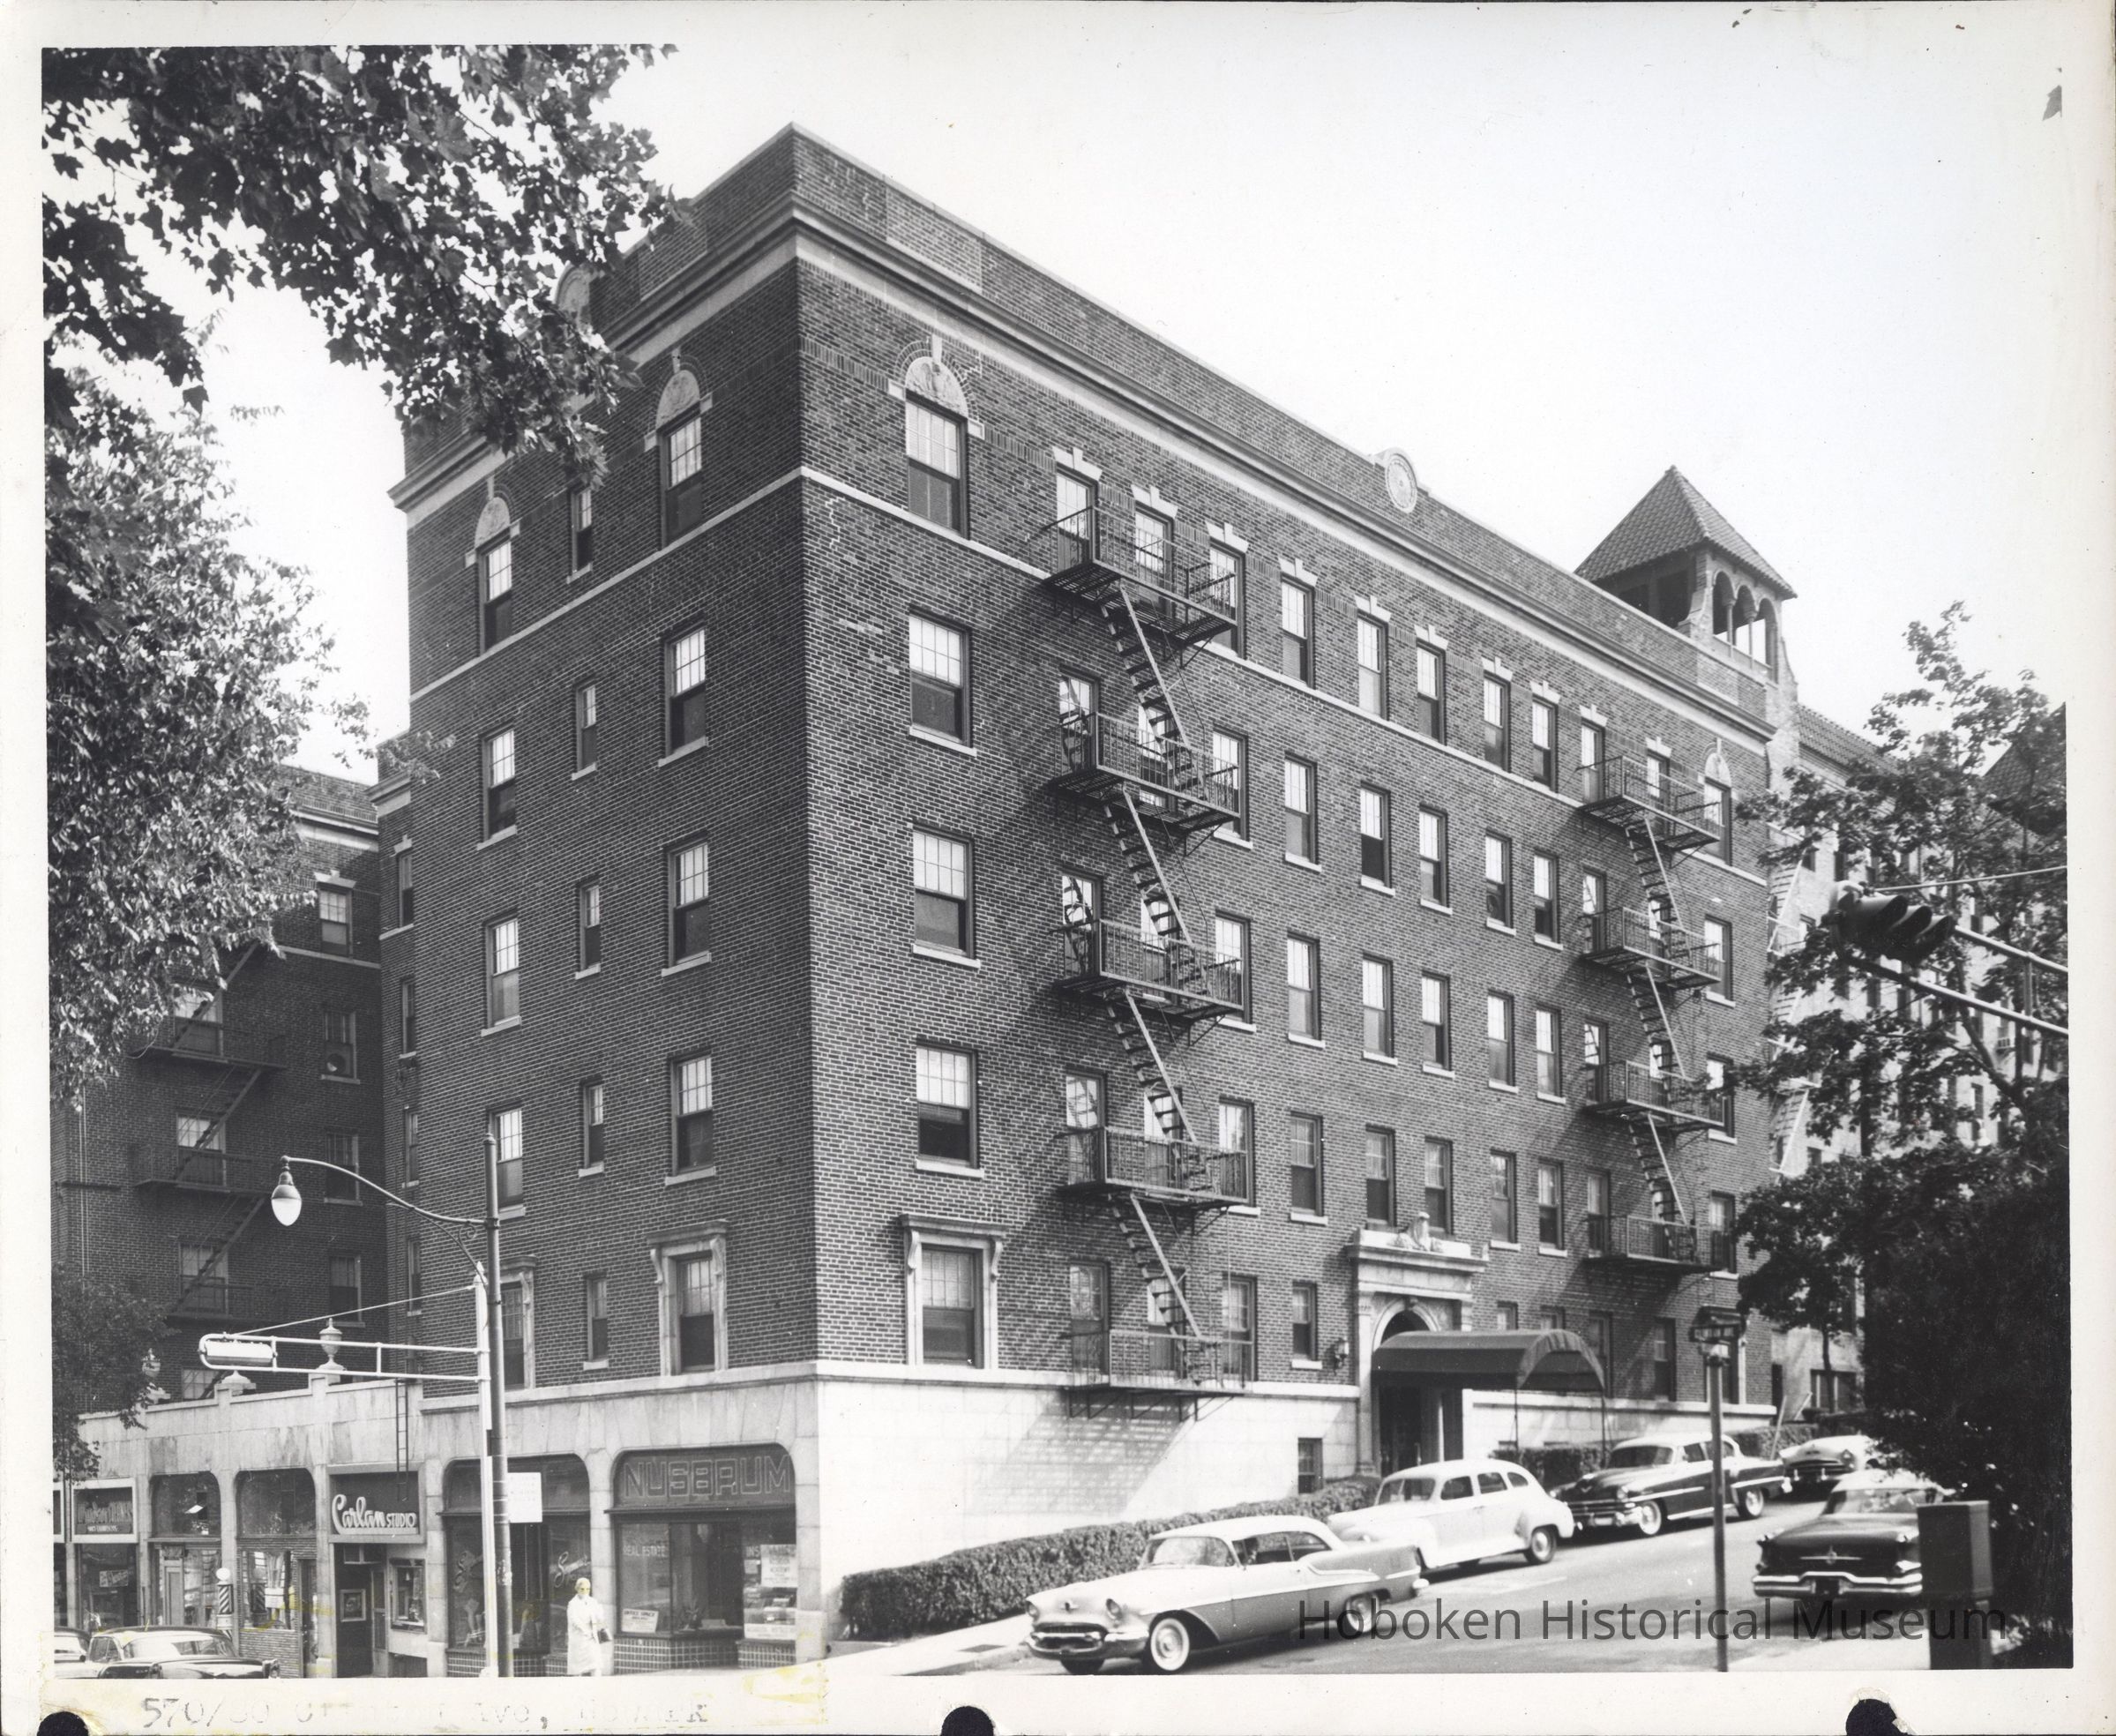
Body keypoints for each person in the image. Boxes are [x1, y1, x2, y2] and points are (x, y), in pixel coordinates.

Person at [565, 1577, 608, 1677]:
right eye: (582, 1589)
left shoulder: (592, 1601)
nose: (585, 1592)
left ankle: (597, 1687)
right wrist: (585, 1631)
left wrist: (600, 1615)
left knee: (596, 1665)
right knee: (578, 1669)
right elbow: (574, 1620)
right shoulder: (572, 1604)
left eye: (587, 1589)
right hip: (579, 1639)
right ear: (577, 1589)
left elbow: (599, 1617)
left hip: (591, 1639)